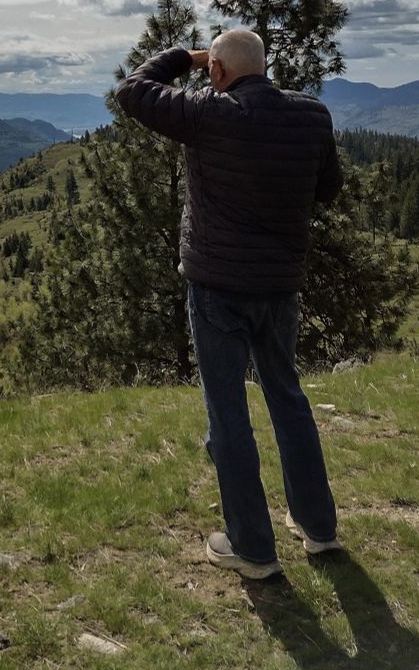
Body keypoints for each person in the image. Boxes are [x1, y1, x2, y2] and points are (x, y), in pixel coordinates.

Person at [116, 29, 342, 579]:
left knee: (228, 415)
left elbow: (132, 90)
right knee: (287, 397)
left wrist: (185, 58)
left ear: (217, 72)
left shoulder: (209, 115)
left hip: (217, 285)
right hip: (281, 285)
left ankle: (252, 549)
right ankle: (318, 528)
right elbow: (327, 189)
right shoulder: (312, 115)